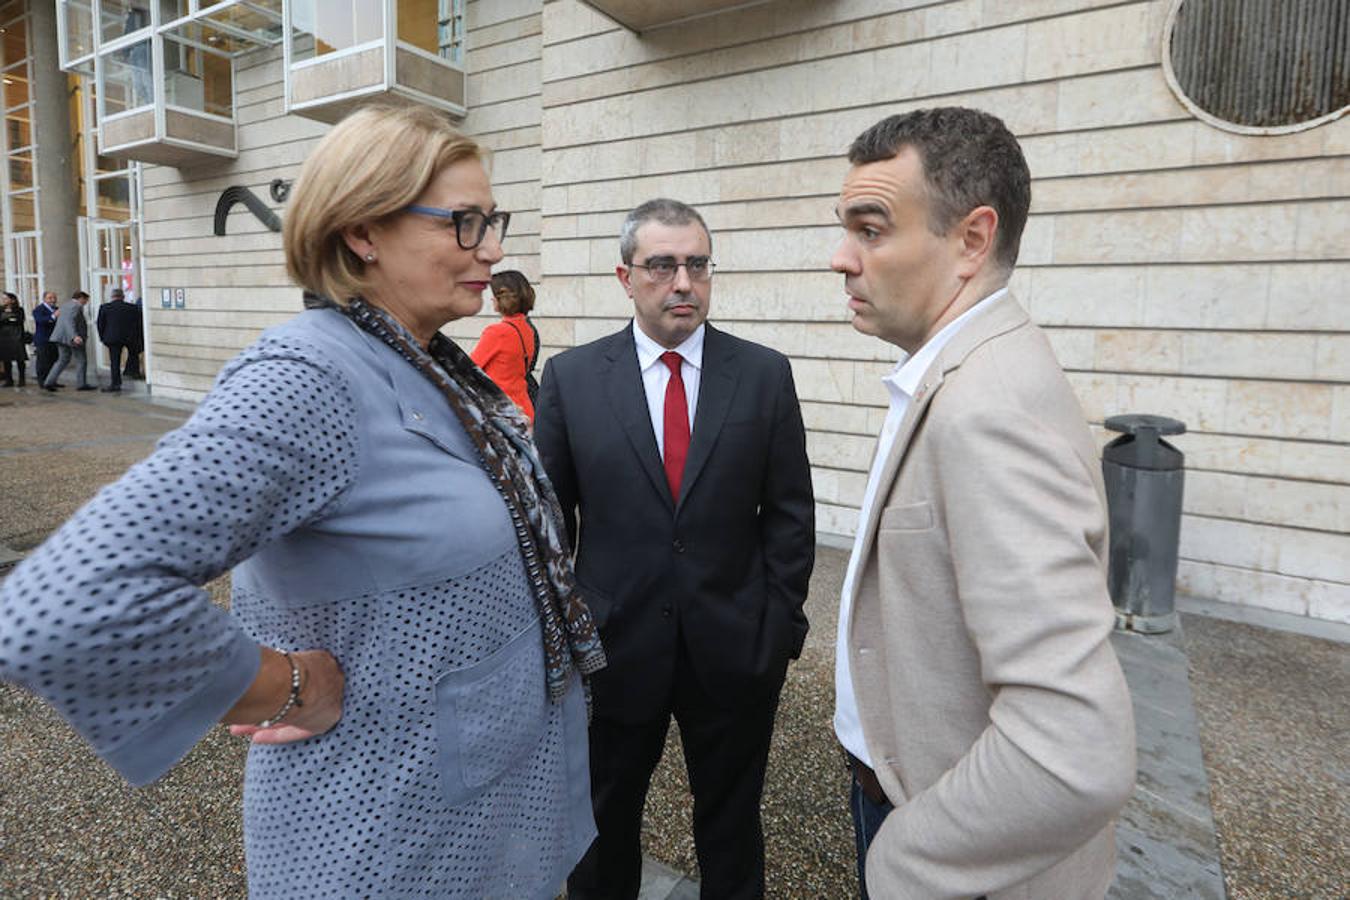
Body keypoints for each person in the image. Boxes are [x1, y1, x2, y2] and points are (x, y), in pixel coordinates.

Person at [0, 104, 604, 899]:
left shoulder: (431, 363)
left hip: (483, 819)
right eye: (464, 223)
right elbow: (65, 605)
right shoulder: (308, 377)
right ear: (363, 231)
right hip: (388, 845)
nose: (492, 248)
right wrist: (281, 683)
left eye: (492, 221)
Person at [830, 107, 1136, 900]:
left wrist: (904, 863)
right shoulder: (966, 368)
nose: (841, 259)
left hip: (953, 854)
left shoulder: (985, 408)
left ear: (971, 240)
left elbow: (1072, 750)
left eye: (870, 229)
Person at [535, 198, 815, 900]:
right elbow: (547, 526)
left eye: (696, 264)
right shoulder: (571, 380)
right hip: (612, 647)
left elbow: (789, 514)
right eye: (662, 265)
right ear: (625, 277)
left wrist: (777, 626)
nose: (683, 281)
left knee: (731, 823)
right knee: (603, 823)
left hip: (734, 648)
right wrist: (563, 632)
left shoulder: (762, 374)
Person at [470, 269, 539, 421]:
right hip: (524, 408)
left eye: (494, 295)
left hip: (502, 411)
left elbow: (468, 369)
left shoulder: (497, 332)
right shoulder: (527, 329)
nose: (492, 300)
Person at [43, 290, 95, 392]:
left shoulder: (66, 305)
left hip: (60, 337)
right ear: (80, 298)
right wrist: (74, 336)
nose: (86, 302)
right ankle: (81, 383)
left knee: (62, 360)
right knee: (81, 360)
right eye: (86, 300)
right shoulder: (76, 307)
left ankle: (49, 381)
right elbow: (69, 322)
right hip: (71, 338)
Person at [96, 287, 142, 392]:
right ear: (123, 297)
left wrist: (102, 337)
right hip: (129, 337)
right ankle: (134, 372)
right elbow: (137, 323)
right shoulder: (132, 308)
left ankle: (115, 383)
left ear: (112, 297)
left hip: (112, 338)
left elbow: (100, 324)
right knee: (133, 354)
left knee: (115, 361)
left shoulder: (105, 307)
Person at [31, 291, 59, 385]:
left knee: (53, 360)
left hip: (54, 338)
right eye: (50, 298)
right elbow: (41, 321)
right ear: (44, 299)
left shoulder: (56, 309)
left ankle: (52, 381)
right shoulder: (39, 309)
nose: (53, 300)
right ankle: (42, 381)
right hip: (43, 339)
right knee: (43, 361)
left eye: (54, 298)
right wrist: (53, 316)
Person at [0, 292, 28, 386]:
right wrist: (10, 319)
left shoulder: (19, 310)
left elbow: (19, 320)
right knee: (6, 359)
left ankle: (22, 379)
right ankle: (9, 380)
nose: (4, 300)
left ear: (12, 300)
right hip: (4, 337)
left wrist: (8, 320)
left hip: (17, 337)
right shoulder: (1, 309)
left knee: (20, 359)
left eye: (6, 298)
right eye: (3, 299)